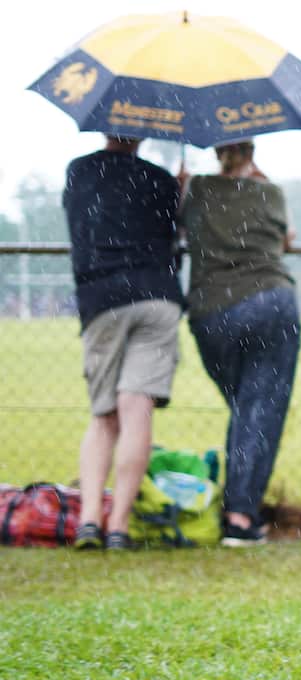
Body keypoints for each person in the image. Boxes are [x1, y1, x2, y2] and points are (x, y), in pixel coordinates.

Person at [64, 135, 183, 550]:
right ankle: (119, 526)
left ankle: (89, 520)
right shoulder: (162, 180)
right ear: (143, 132)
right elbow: (173, 236)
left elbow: (83, 227)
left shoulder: (80, 171)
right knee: (137, 411)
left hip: (103, 297)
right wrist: (178, 192)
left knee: (104, 417)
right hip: (157, 295)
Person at [180, 140, 301, 547]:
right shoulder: (270, 193)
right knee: (260, 408)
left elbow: (180, 227)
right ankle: (241, 516)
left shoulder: (197, 189)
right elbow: (287, 238)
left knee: (246, 406)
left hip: (211, 311)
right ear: (253, 149)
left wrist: (185, 188)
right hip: (270, 302)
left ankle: (236, 504)